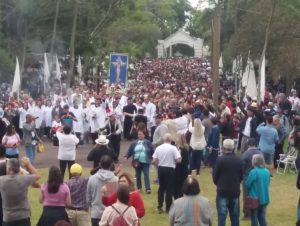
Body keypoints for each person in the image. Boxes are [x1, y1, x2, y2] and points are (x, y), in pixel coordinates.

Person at [0, 157, 40, 226]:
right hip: (23, 216)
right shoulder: (24, 179)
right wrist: (28, 164)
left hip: (8, 218)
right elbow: (37, 175)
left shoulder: (2, 181)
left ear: (9, 169)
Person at [213, 139, 243, 226]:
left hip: (222, 190)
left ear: (223, 147)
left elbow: (215, 176)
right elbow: (242, 176)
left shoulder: (220, 160)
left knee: (222, 216)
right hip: (235, 190)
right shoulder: (239, 160)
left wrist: (218, 183)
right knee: (235, 216)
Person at [152, 133, 182, 213]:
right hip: (170, 169)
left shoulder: (158, 148)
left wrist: (159, 165)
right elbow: (179, 160)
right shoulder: (173, 148)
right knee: (169, 189)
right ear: (170, 140)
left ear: (164, 140)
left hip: (161, 168)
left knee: (161, 188)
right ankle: (168, 208)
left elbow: (154, 161)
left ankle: (160, 206)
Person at [86, 155, 118, 226]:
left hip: (96, 213)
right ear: (111, 164)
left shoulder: (92, 179)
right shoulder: (116, 180)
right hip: (111, 214)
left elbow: (88, 198)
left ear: (100, 164)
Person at [245, 154, 270, 226]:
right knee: (262, 216)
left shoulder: (254, 172)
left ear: (254, 162)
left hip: (255, 198)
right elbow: (268, 183)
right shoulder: (267, 171)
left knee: (254, 216)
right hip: (265, 197)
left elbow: (247, 184)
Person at [241, 138, 262, 219]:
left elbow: (242, 167)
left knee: (247, 195)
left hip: (248, 177)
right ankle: (257, 211)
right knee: (257, 194)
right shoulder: (260, 153)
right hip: (259, 176)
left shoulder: (245, 154)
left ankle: (247, 213)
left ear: (248, 144)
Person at [174, 134, 189, 199]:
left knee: (179, 187)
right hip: (180, 170)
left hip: (180, 171)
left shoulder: (182, 150)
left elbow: (184, 162)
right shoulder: (177, 148)